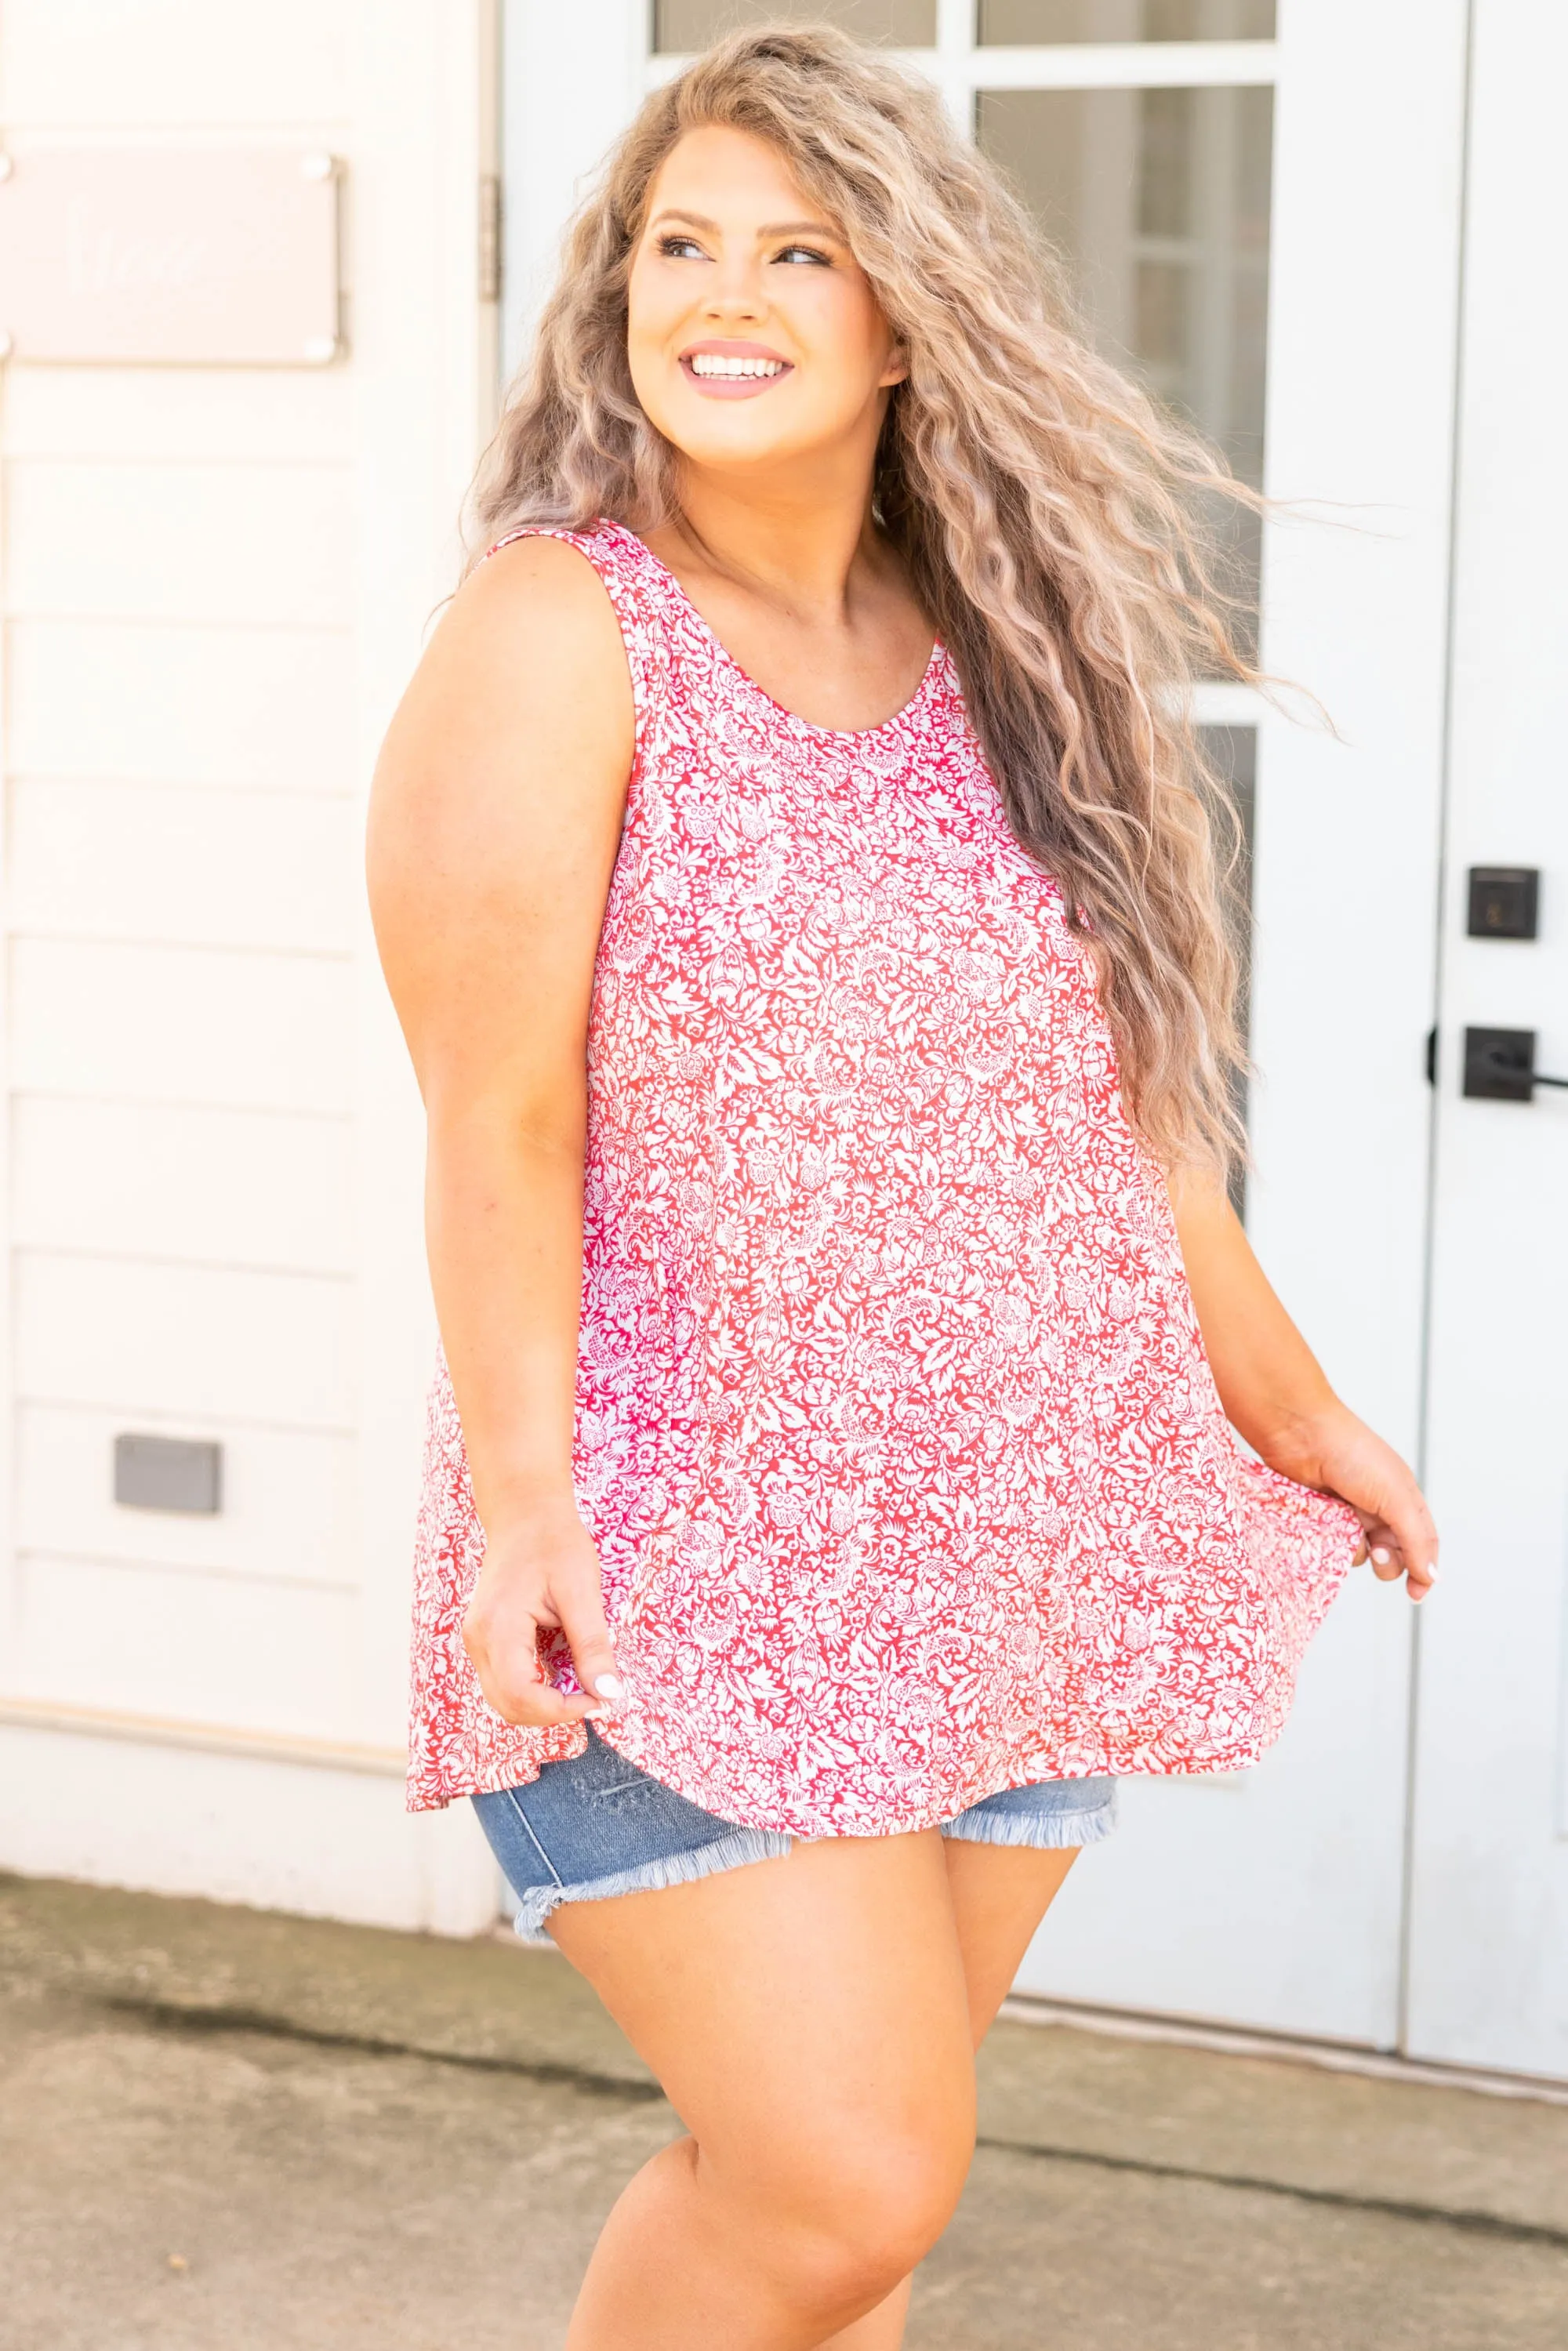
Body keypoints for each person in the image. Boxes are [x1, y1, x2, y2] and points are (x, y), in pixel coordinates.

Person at [367, 24, 1436, 2348]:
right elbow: (495, 1113)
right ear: (616, 292)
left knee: (855, 2226)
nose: (720, 295)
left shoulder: (981, 661)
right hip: (682, 1541)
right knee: (842, 2177)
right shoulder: (563, 630)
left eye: (796, 249)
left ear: (900, 313)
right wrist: (530, 1497)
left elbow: (1106, 1107)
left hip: (991, 1531)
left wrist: (1292, 1399)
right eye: (678, 245)